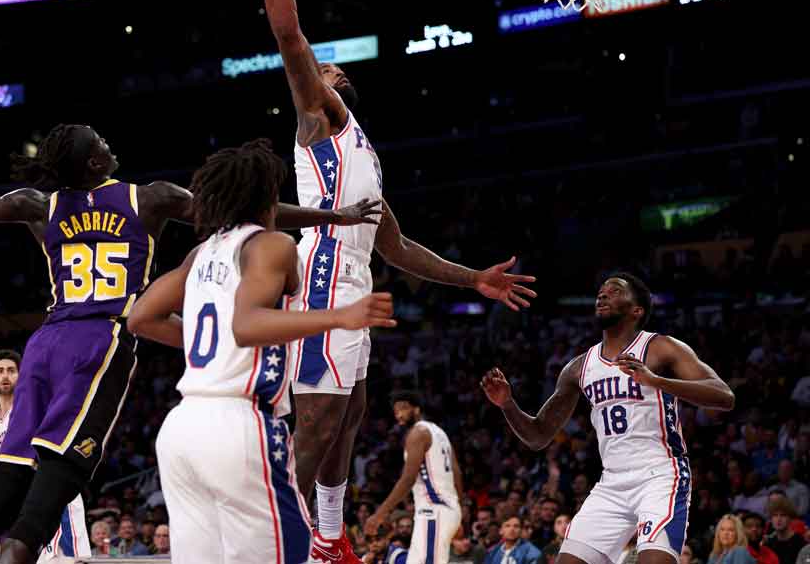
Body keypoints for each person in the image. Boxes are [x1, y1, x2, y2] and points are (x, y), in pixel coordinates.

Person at [0, 124, 372, 564]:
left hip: (45, 342)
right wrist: (332, 217)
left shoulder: (38, 205)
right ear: (95, 164)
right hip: (98, 340)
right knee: (52, 491)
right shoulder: (150, 198)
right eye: (99, 142)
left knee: (5, 485)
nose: (107, 143)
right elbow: (241, 213)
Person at [262, 0, 537, 561]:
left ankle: (329, 534)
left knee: (351, 413)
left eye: (331, 72)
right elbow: (290, 37)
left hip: (353, 284)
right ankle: (273, 541)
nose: (322, 71)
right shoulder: (318, 120)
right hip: (323, 282)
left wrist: (473, 279)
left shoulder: (364, 152)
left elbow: (399, 246)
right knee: (317, 424)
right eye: (319, 72)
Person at [128, 139, 396, 564]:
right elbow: (247, 324)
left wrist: (212, 338)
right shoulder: (273, 245)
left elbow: (141, 317)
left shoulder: (200, 253)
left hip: (181, 429)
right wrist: (340, 316)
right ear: (268, 198)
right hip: (239, 424)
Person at [482, 272, 735, 564]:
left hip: (661, 475)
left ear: (637, 310)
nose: (602, 295)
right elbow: (538, 436)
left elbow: (724, 396)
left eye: (615, 291)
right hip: (611, 482)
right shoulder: (579, 367)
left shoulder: (660, 347)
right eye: (601, 291)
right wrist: (508, 404)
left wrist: (656, 381)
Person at [0, 349, 91, 562]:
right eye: (0, 371)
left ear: (22, 376)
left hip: (55, 493)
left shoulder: (34, 406)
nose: (5, 375)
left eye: (11, 370)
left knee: (70, 560)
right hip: (30, 502)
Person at [366, 391, 464, 564]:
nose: (399, 414)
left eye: (403, 408)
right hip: (441, 510)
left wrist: (379, 515)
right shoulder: (439, 433)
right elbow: (456, 473)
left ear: (417, 409)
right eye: (396, 411)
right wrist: (458, 512)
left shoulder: (417, 433)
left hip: (433, 510)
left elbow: (408, 479)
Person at [766, 500, 803, 564]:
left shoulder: (800, 542)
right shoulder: (768, 544)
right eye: (775, 515)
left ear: (790, 518)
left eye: (783, 515)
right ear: (771, 519)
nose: (778, 519)